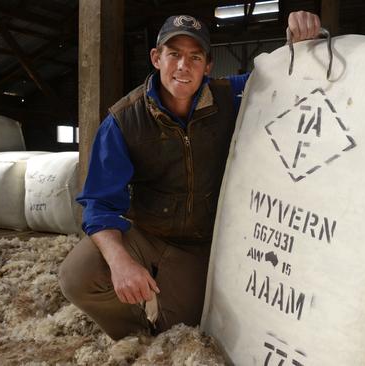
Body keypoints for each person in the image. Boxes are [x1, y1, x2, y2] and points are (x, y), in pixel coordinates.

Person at [58, 11, 322, 340]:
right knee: (77, 275)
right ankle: (134, 335)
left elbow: (276, 79)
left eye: (195, 57)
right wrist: (121, 262)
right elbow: (98, 203)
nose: (184, 66)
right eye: (174, 54)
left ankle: (167, 306)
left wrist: (296, 43)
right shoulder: (125, 121)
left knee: (185, 330)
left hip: (198, 243)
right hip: (147, 232)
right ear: (156, 58)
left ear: (208, 66)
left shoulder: (232, 97)